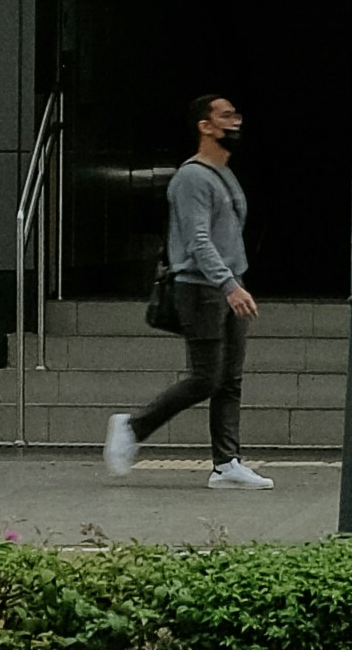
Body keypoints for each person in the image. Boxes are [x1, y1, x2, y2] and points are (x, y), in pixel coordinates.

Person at [106, 90, 268, 492]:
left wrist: (236, 281)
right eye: (227, 116)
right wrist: (229, 285)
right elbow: (197, 240)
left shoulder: (223, 174)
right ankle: (132, 426)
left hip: (227, 284)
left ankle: (226, 463)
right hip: (201, 288)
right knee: (205, 378)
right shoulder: (192, 177)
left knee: (229, 380)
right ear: (205, 126)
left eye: (237, 114)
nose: (236, 122)